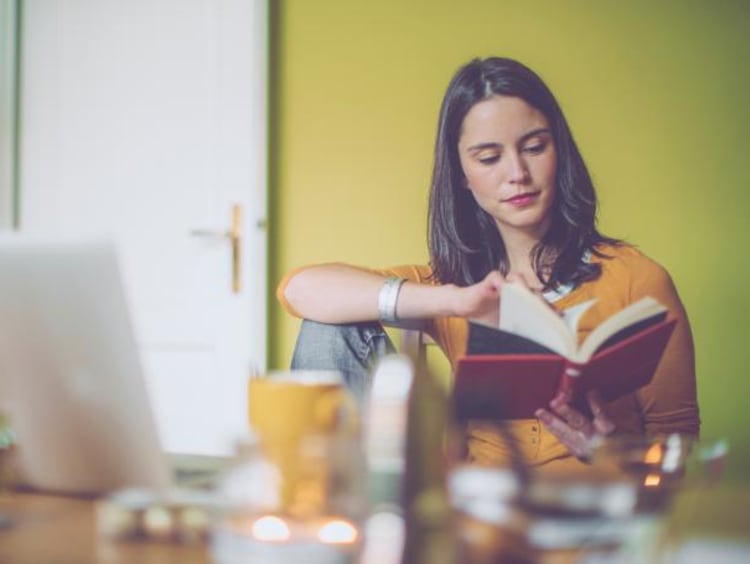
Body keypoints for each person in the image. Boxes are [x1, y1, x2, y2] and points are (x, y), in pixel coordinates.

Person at [277, 56, 699, 470]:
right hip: (476, 519)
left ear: (560, 150)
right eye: (488, 158)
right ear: (462, 172)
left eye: (534, 147)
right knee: (327, 328)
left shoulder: (635, 278)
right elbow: (298, 290)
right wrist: (455, 303)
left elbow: (680, 452)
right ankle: (356, 512)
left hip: (590, 514)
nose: (517, 173)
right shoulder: (455, 287)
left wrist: (615, 454)